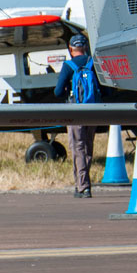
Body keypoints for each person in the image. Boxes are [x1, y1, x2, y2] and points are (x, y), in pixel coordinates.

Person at [54, 35, 101, 198]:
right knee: (88, 147)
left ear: (71, 47)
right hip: (93, 112)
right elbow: (106, 90)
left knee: (77, 147)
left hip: (75, 112)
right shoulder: (93, 63)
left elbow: (58, 92)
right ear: (86, 46)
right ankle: (84, 182)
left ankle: (82, 186)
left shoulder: (68, 66)